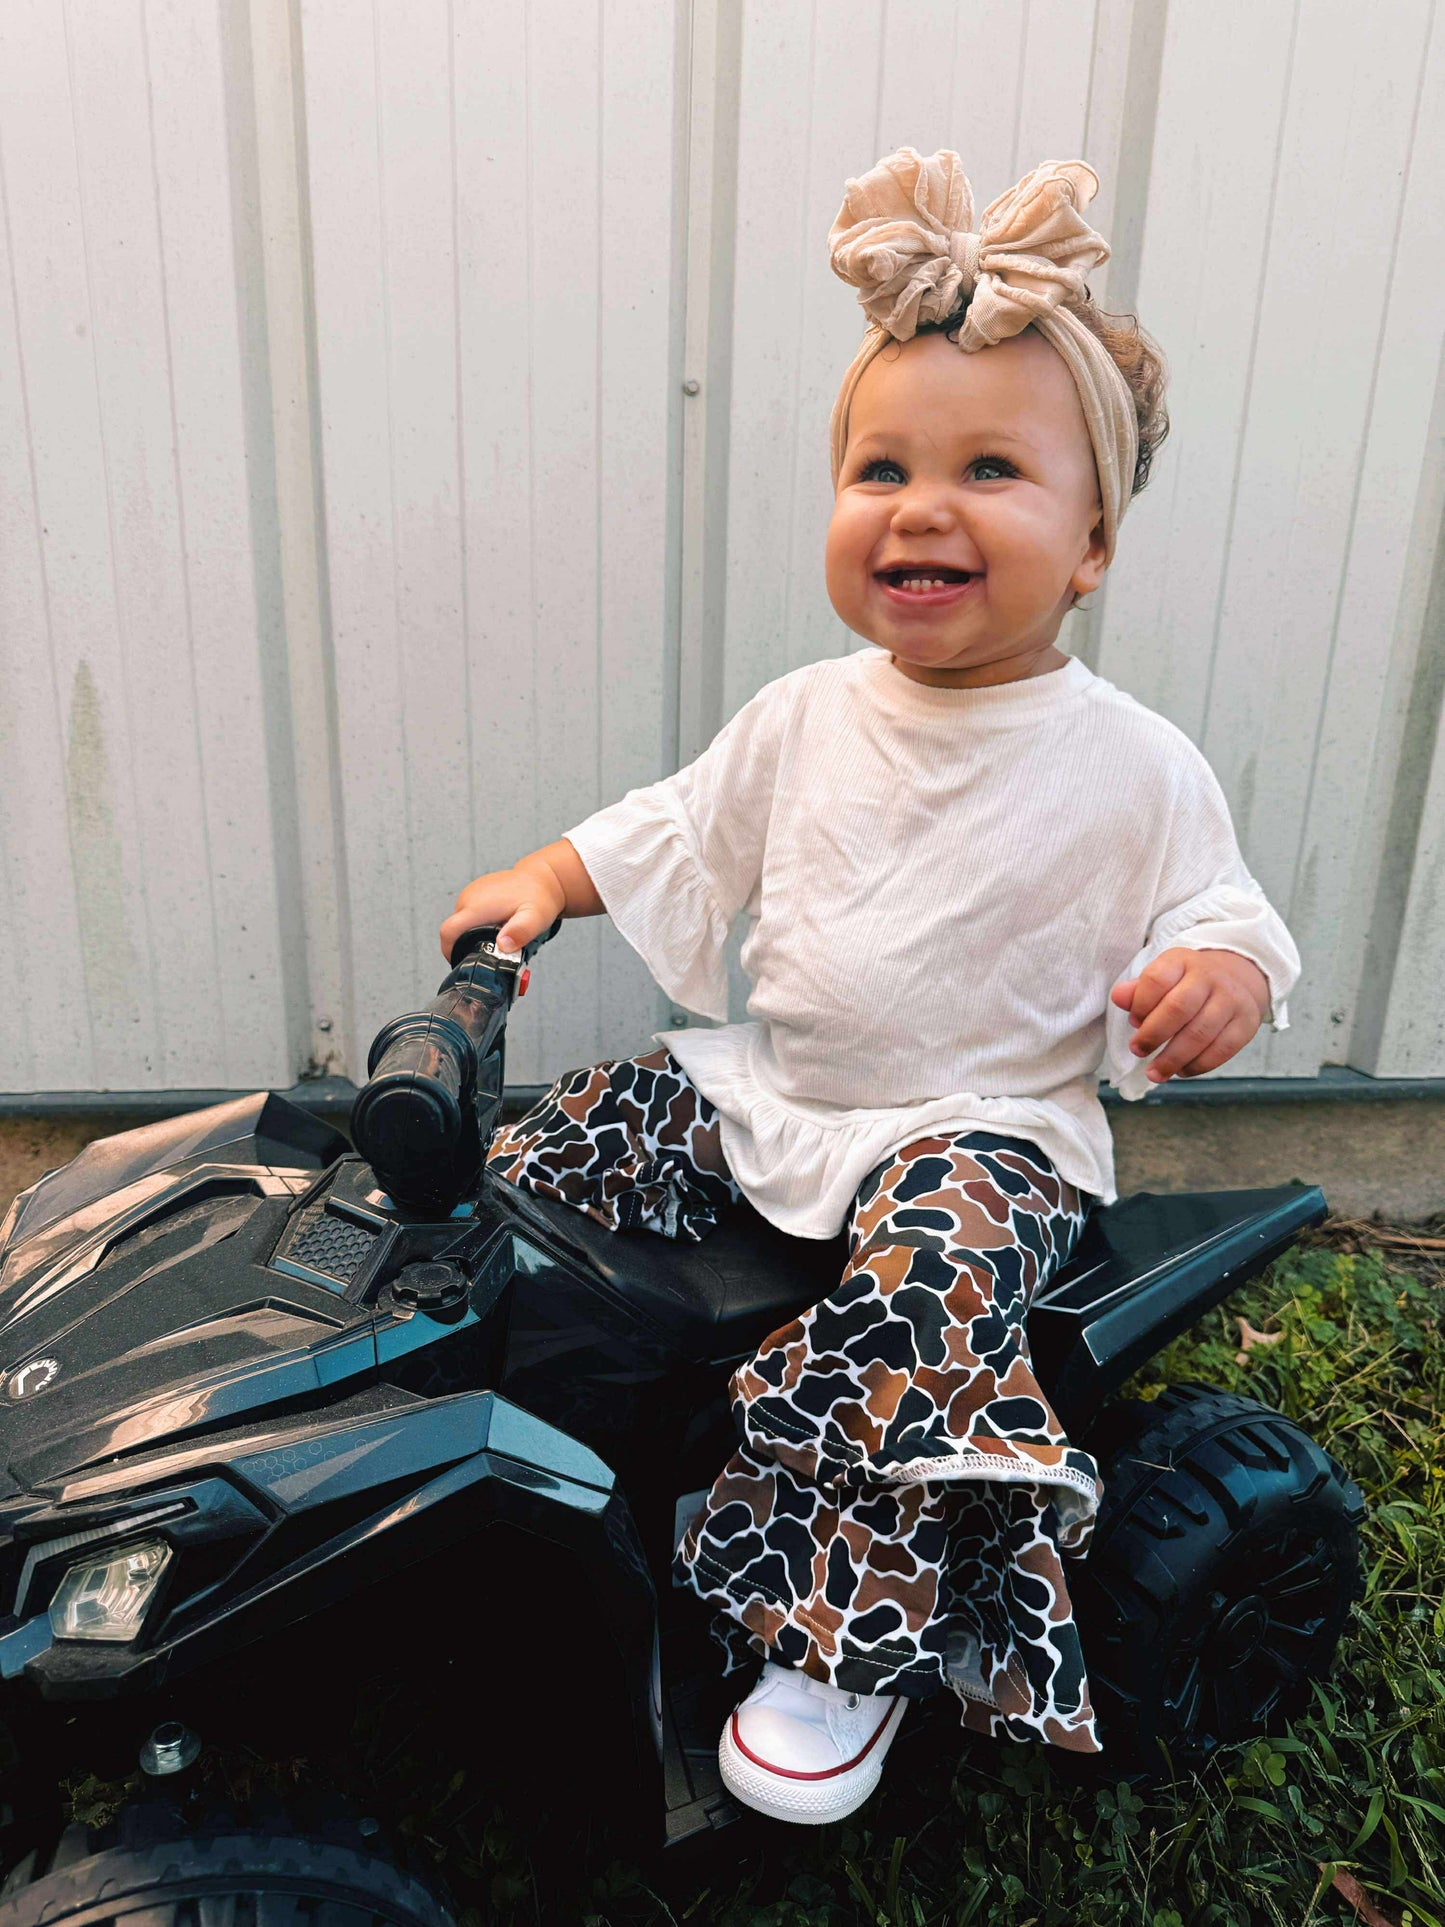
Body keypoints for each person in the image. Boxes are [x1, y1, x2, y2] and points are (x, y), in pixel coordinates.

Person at [440, 148, 1298, 1826]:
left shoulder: (1130, 760)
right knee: (566, 1143)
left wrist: (1218, 976)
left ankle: (844, 1629)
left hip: (984, 1132)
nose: (919, 505)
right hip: (793, 1093)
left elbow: (1229, 910)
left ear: (1094, 544)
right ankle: (480, 1417)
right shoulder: (805, 715)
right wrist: (550, 879)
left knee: (917, 1308)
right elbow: (680, 828)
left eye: (989, 467)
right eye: (878, 465)